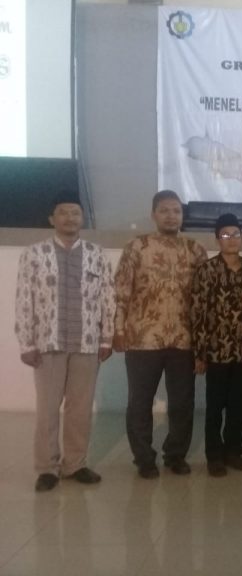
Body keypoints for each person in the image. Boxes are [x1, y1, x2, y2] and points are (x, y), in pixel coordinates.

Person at [15, 190, 115, 492]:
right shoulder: (34, 254)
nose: (70, 218)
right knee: (47, 409)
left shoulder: (97, 254)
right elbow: (24, 298)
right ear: (52, 218)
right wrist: (26, 343)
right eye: (63, 212)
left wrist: (107, 337)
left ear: (82, 218)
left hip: (87, 341)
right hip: (48, 342)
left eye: (75, 213)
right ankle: (47, 468)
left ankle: (75, 464)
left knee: (80, 408)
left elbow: (108, 297)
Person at [114, 190, 208, 479]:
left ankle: (175, 455)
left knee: (182, 403)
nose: (171, 216)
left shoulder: (195, 250)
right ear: (153, 214)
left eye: (176, 211)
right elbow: (121, 292)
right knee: (140, 402)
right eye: (165, 210)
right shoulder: (137, 247)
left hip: (183, 338)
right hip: (143, 338)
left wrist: (202, 342)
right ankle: (144, 458)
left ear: (182, 216)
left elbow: (203, 300)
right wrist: (118, 329)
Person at [191, 213, 242, 477]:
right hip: (216, 350)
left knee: (240, 404)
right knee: (215, 406)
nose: (232, 239)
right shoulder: (206, 270)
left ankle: (234, 451)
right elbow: (197, 312)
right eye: (226, 235)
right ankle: (214, 455)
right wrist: (199, 353)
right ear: (217, 239)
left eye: (236, 234)